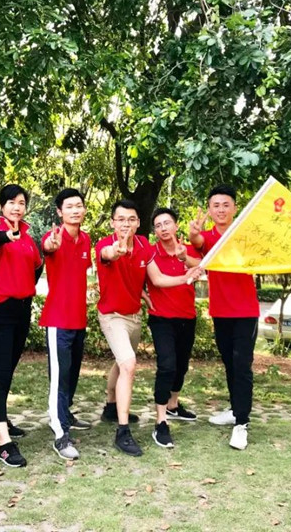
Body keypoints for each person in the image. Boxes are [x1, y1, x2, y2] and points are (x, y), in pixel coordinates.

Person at [96, 200, 199, 457]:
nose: (126, 224)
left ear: (139, 223)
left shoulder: (143, 245)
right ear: (113, 222)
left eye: (131, 219)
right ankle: (122, 432)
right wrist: (116, 251)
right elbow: (109, 254)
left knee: (121, 363)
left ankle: (110, 406)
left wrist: (184, 276)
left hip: (134, 316)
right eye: (121, 219)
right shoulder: (104, 245)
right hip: (112, 316)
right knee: (129, 364)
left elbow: (157, 278)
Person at [189, 185, 260, 450]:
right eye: (216, 205)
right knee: (230, 363)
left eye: (226, 204)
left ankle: (241, 423)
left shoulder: (245, 235)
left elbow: (271, 257)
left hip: (246, 312)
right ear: (209, 209)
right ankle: (234, 409)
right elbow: (197, 244)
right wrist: (193, 234)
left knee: (242, 365)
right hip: (220, 312)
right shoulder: (207, 237)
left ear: (235, 208)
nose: (221, 209)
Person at [0, 184, 42, 467]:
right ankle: (4, 444)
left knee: (9, 368)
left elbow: (37, 265)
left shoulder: (29, 238)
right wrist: (8, 235)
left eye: (21, 203)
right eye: (11, 203)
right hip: (2, 309)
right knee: (1, 371)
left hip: (23, 308)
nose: (17, 207)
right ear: (1, 206)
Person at [40, 189, 92, 460]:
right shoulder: (53, 237)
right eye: (69, 206)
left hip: (78, 318)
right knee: (59, 378)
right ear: (60, 212)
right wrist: (52, 244)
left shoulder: (85, 239)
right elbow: (48, 247)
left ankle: (66, 413)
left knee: (72, 374)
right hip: (58, 320)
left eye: (79, 205)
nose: (75, 210)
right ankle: (61, 434)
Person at [146, 208, 202, 449]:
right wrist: (185, 276)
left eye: (167, 223)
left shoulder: (187, 250)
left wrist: (184, 259)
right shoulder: (151, 253)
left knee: (181, 366)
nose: (163, 228)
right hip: (161, 319)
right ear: (155, 231)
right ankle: (161, 421)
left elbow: (202, 267)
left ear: (176, 226)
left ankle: (173, 405)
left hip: (187, 317)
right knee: (167, 366)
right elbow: (156, 280)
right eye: (158, 225)